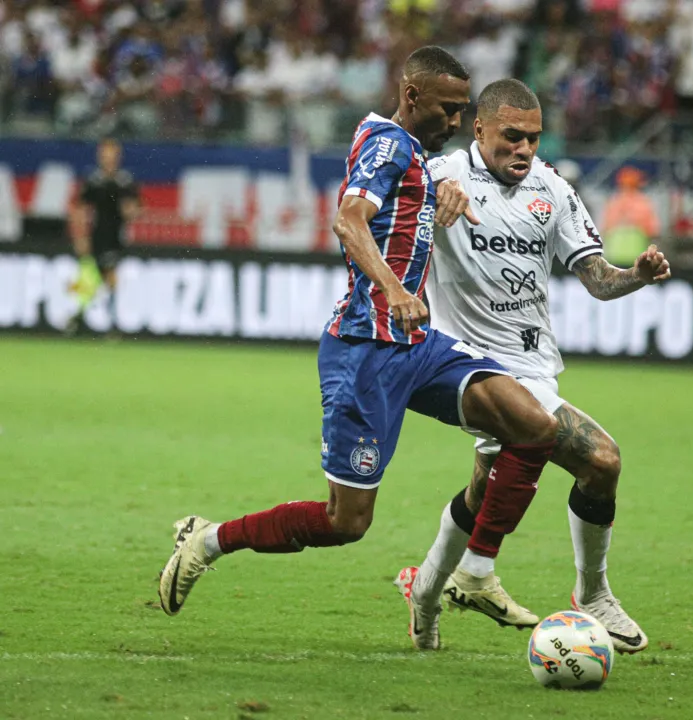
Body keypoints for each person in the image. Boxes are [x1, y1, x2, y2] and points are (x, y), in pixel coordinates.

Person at [157, 48, 565, 653]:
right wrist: (396, 288)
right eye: (449, 109)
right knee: (345, 522)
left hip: (418, 345)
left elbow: (408, 207)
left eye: (462, 111)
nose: (455, 122)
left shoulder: (414, 154)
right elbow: (349, 220)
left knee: (533, 425)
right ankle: (209, 540)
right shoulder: (391, 144)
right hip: (366, 350)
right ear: (412, 94)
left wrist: (443, 194)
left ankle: (474, 572)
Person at [394, 79, 671, 655]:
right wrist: (427, 206)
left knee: (482, 494)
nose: (523, 150)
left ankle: (424, 594)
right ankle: (591, 593)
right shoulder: (441, 175)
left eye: (533, 139)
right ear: (478, 129)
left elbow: (596, 279)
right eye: (511, 137)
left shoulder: (554, 190)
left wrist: (637, 275)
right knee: (601, 460)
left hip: (534, 366)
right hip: (466, 363)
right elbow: (381, 217)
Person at [67, 137, 140, 333]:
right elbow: (80, 209)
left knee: (109, 276)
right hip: (96, 235)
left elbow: (134, 210)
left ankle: (104, 320)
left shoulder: (125, 181)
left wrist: (130, 211)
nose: (108, 160)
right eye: (105, 156)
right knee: (89, 276)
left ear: (118, 158)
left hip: (116, 237)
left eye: (112, 156)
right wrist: (80, 236)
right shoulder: (93, 180)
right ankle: (83, 316)